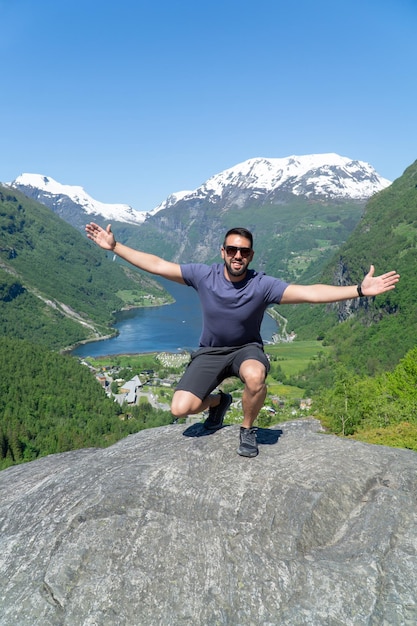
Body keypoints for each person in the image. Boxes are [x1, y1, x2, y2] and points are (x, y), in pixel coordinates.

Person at [85, 223, 400, 458]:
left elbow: (310, 293)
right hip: (210, 351)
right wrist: (116, 247)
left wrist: (358, 290)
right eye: (232, 250)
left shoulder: (262, 285)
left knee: (255, 376)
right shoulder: (203, 275)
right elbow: (158, 265)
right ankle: (219, 402)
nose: (238, 255)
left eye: (244, 251)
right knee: (181, 408)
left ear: (251, 255)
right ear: (222, 252)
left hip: (246, 349)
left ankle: (247, 430)